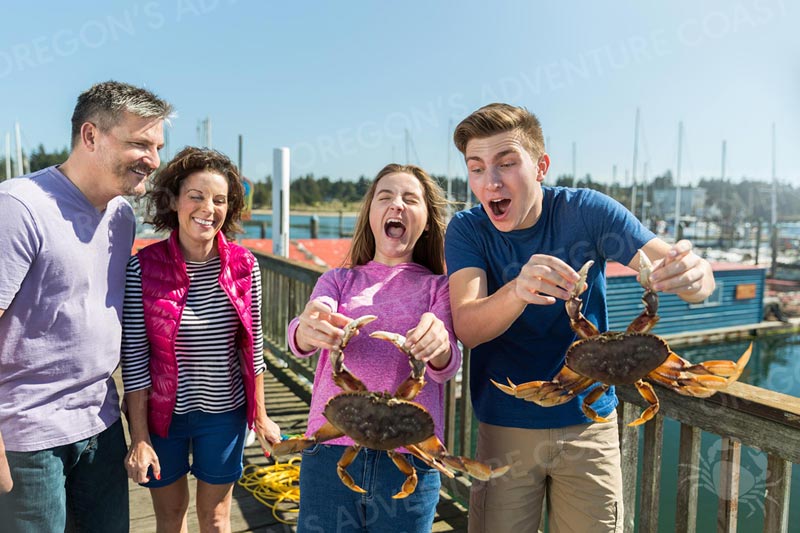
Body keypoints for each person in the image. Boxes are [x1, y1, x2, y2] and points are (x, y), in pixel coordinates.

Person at [444, 103, 716, 533]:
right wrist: (517, 289)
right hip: (505, 424)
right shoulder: (466, 229)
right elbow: (468, 328)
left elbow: (682, 274)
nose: (490, 181)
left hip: (590, 426)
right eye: (476, 168)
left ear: (541, 166)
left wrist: (698, 275)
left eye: (507, 163)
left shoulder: (588, 212)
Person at [0, 81, 172, 532]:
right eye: (139, 143)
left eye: (156, 146)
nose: (152, 159)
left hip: (100, 424)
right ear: (90, 135)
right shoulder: (19, 207)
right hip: (26, 437)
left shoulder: (122, 214)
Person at [286, 163, 461, 532]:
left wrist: (440, 344)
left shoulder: (439, 288)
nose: (396, 205)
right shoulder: (339, 280)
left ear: (427, 220)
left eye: (410, 199)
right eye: (385, 197)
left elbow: (446, 366)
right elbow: (304, 333)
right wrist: (308, 328)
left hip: (409, 456)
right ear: (370, 214)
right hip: (330, 447)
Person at [121, 146, 282, 532]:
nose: (208, 208)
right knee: (171, 516)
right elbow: (135, 360)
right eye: (196, 196)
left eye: (220, 200)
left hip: (224, 415)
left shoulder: (246, 266)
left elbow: (253, 348)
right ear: (174, 200)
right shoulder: (141, 268)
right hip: (163, 418)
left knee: (216, 518)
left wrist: (259, 415)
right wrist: (139, 437)